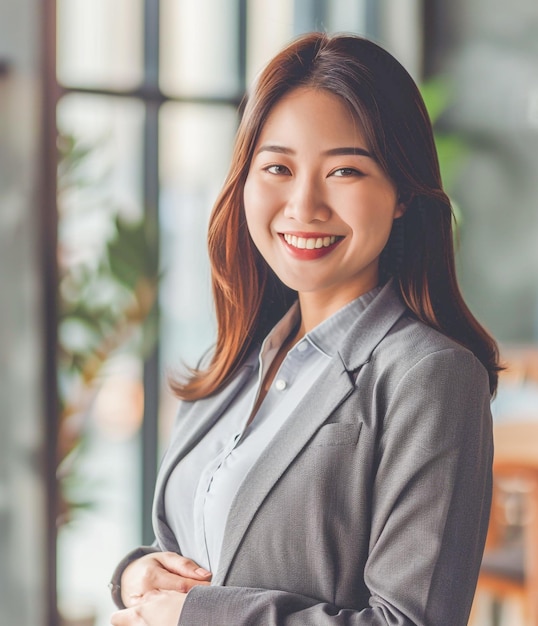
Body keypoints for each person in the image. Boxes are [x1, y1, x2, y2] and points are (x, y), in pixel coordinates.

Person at [109, 32, 499, 626]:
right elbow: (206, 550)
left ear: (399, 193)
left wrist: (200, 618)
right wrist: (136, 574)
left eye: (345, 170)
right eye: (278, 167)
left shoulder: (432, 376)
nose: (304, 205)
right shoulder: (234, 358)